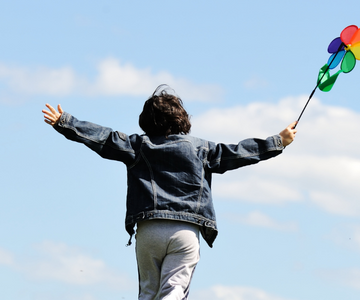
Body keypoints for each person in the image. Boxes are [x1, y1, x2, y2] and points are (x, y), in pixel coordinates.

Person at [42, 84, 297, 300]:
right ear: (183, 120)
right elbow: (239, 153)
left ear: (145, 122)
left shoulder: (138, 146)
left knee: (148, 292)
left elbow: (105, 139)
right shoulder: (202, 149)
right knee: (174, 291)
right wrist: (277, 141)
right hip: (186, 232)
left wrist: (66, 122)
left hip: (149, 230)